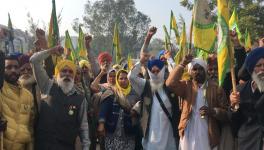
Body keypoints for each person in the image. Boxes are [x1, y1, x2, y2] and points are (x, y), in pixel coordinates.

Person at [30, 46, 90, 150]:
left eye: (71, 72)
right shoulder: (47, 86)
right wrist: (51, 51)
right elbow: (34, 60)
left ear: (74, 76)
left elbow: (83, 127)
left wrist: (86, 147)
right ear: (57, 74)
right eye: (64, 71)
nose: (67, 74)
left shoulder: (80, 99)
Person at [166, 55, 229, 150]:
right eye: (194, 69)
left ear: (205, 71)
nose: (197, 72)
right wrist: (182, 64)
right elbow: (170, 83)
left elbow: (226, 114)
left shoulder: (216, 88)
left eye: (201, 69)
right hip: (188, 133)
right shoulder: (186, 86)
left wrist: (212, 111)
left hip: (209, 135)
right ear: (190, 72)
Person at [230, 47, 264, 150]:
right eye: (259, 65)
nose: (263, 68)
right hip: (248, 142)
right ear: (251, 69)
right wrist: (233, 106)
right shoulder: (239, 90)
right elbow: (234, 122)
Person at [0, 53, 35, 150]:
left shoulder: (28, 96)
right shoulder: (1, 90)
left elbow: (30, 128)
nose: (13, 70)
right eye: (9, 67)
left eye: (16, 67)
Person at [98, 69, 139, 150]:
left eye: (126, 78)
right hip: (112, 131)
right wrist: (101, 124)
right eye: (121, 78)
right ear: (117, 80)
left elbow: (141, 107)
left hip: (128, 131)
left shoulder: (135, 93)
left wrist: (136, 109)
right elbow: (104, 109)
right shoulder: (111, 91)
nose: (123, 80)